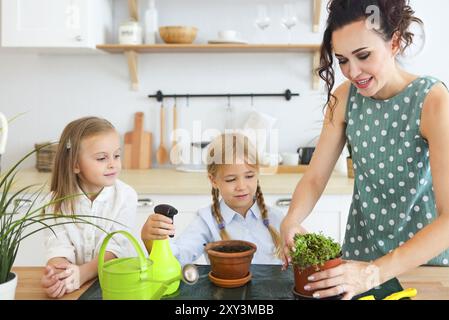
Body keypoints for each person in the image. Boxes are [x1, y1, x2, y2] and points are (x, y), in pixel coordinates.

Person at [280, 0, 449, 300]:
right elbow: (316, 177)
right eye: (342, 59)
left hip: (422, 267)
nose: (352, 72)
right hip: (357, 264)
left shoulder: (432, 101)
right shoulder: (345, 98)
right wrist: (292, 219)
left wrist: (375, 272)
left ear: (394, 42)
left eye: (363, 55)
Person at [141, 133, 283, 265]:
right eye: (231, 179)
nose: (241, 186)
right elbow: (178, 258)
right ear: (213, 180)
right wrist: (151, 241)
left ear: (257, 173)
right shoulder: (206, 220)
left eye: (249, 176)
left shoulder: (277, 218)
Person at [40, 117, 138, 298]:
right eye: (102, 158)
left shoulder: (126, 196)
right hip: (79, 290)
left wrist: (81, 274)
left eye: (117, 155)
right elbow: (58, 248)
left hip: (119, 286)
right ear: (75, 164)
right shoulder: (54, 203)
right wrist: (57, 275)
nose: (113, 164)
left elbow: (115, 250)